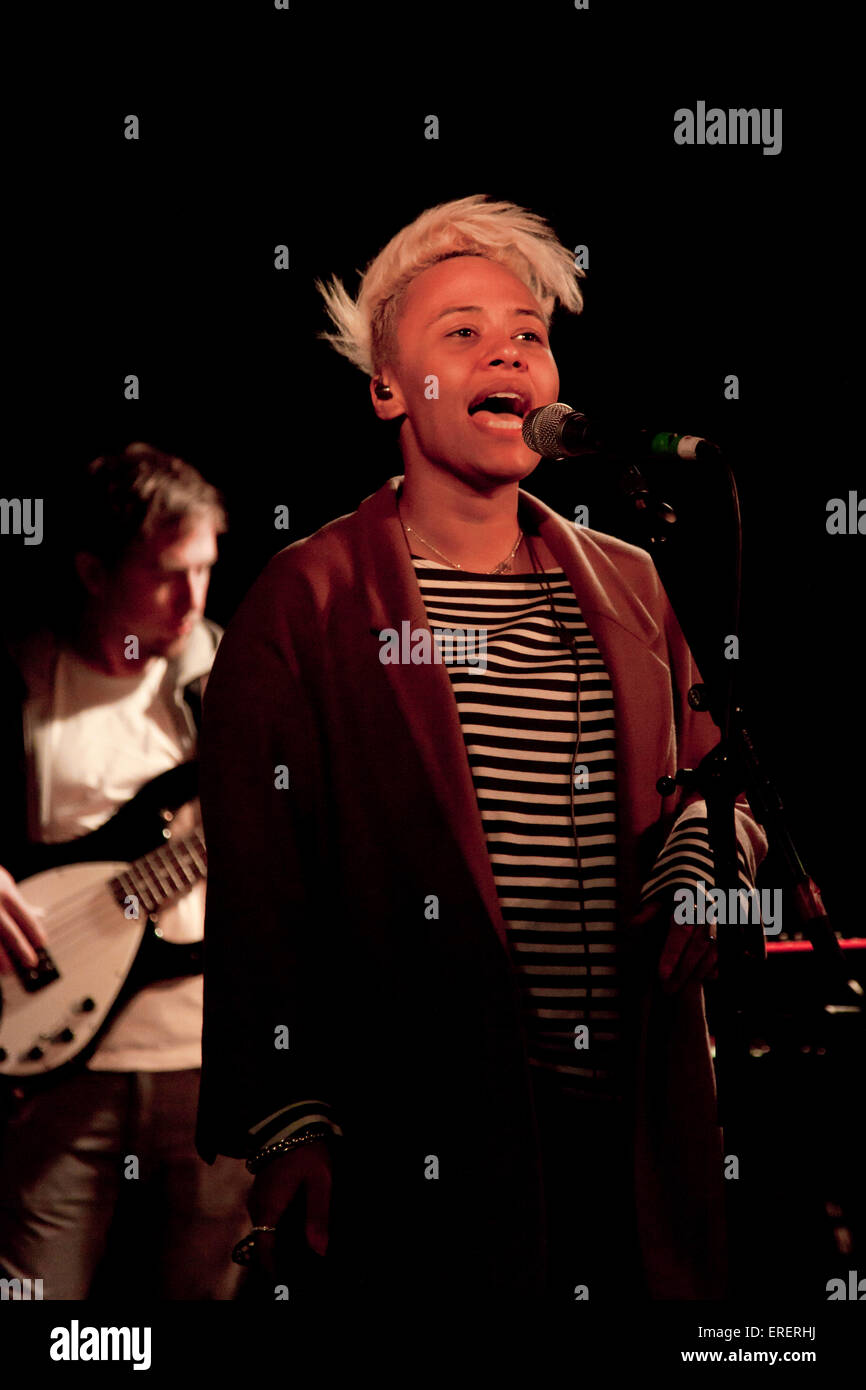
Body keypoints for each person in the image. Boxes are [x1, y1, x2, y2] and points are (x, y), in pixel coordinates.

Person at [195, 196, 768, 1308]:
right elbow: (264, 890)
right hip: (424, 1144)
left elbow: (717, 789)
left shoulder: (631, 582)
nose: (505, 346)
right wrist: (287, 1124)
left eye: (528, 332)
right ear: (383, 388)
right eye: (459, 331)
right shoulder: (308, 596)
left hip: (631, 1134)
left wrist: (708, 862)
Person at [0, 443, 253, 1300]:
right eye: (167, 574)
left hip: (209, 1068)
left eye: (207, 570)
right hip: (52, 1077)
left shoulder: (237, 686)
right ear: (92, 571)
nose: (193, 600)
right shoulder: (22, 685)